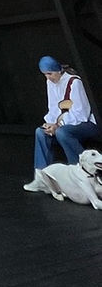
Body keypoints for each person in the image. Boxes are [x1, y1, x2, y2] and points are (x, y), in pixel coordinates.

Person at [24, 55, 98, 193]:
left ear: (58, 70)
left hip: (86, 125)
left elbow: (81, 113)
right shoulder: (50, 83)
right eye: (45, 75)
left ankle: (81, 177)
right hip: (63, 123)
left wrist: (59, 125)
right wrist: (50, 123)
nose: (48, 77)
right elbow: (53, 107)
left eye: (50, 74)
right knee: (40, 132)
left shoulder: (74, 82)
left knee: (62, 132)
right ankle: (42, 179)